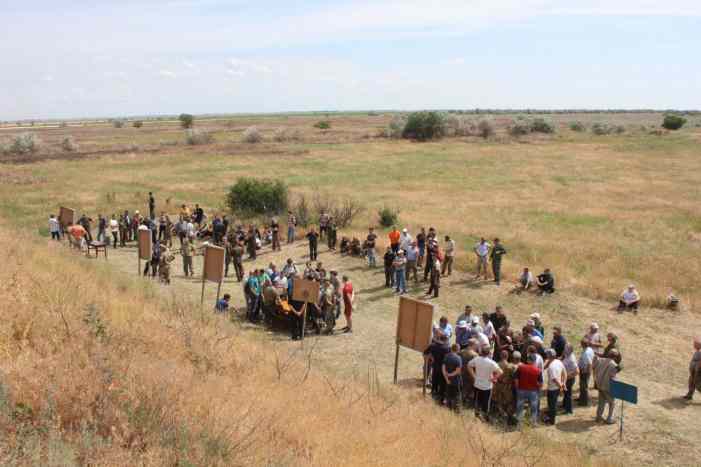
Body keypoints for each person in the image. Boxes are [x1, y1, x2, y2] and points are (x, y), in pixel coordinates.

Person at [467, 346, 502, 421]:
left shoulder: (477, 359)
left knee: (477, 400)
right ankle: (485, 417)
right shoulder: (491, 362)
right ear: (489, 353)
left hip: (477, 384)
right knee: (486, 402)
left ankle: (477, 415)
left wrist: (473, 376)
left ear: (481, 352)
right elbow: (500, 372)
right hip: (487, 386)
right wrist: (493, 379)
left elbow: (469, 365)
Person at [514, 353, 543, 427]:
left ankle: (519, 423)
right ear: (534, 361)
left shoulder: (520, 367)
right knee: (533, 407)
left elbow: (516, 379)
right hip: (533, 391)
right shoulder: (538, 370)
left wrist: (517, 387)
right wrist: (538, 389)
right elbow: (541, 383)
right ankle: (533, 422)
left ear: (527, 360)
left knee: (520, 407)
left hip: (521, 390)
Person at [593, 351, 619, 424]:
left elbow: (594, 367)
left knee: (601, 401)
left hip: (599, 384)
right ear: (615, 357)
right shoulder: (614, 365)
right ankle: (609, 419)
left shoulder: (601, 360)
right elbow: (613, 377)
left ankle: (598, 417)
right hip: (607, 387)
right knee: (612, 403)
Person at [425, 333, 451, 402]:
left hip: (435, 365)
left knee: (434, 379)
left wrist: (431, 358)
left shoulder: (433, 345)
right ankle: (440, 396)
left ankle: (433, 392)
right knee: (442, 382)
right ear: (446, 340)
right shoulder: (447, 348)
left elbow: (425, 353)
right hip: (443, 367)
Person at [494, 350, 517, 423]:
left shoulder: (496, 364)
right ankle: (508, 417)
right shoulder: (511, 366)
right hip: (508, 388)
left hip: (498, 386)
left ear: (500, 356)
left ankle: (501, 416)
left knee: (499, 402)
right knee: (508, 403)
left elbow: (494, 376)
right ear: (507, 356)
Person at [544, 348, 566, 425]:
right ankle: (551, 415)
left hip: (553, 389)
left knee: (552, 405)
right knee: (553, 403)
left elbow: (554, 379)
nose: (546, 356)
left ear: (549, 356)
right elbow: (564, 372)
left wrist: (561, 387)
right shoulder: (559, 361)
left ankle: (551, 421)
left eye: (547, 355)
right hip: (556, 387)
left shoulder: (551, 367)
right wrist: (563, 383)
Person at [443, 344, 463, 413]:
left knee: (448, 394)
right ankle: (457, 410)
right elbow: (458, 371)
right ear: (458, 350)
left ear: (451, 348)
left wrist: (447, 378)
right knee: (457, 395)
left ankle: (447, 407)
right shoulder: (458, 358)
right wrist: (450, 375)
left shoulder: (446, 356)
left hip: (448, 380)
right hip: (456, 380)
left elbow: (443, 369)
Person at [562, 343, 578, 414]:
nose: (564, 350)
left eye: (566, 349)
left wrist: (567, 377)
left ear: (570, 350)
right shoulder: (567, 355)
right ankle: (564, 405)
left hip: (569, 379)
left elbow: (577, 371)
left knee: (568, 394)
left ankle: (569, 410)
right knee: (565, 393)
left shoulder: (572, 359)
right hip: (566, 378)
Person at [577, 338, 595, 406]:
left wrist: (586, 372)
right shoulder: (590, 349)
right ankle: (581, 398)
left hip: (585, 371)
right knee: (582, 385)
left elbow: (589, 363)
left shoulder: (586, 353)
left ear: (583, 344)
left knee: (584, 387)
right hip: (584, 370)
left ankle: (584, 402)